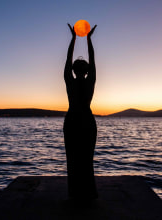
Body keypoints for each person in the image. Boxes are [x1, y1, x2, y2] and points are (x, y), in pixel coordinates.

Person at [63, 23, 98, 200]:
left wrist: (74, 38)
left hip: (72, 121)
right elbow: (93, 58)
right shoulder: (90, 81)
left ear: (73, 70)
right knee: (86, 159)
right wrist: (89, 39)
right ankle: (88, 194)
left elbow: (68, 59)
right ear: (86, 70)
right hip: (86, 120)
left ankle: (74, 194)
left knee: (73, 159)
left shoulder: (69, 81)